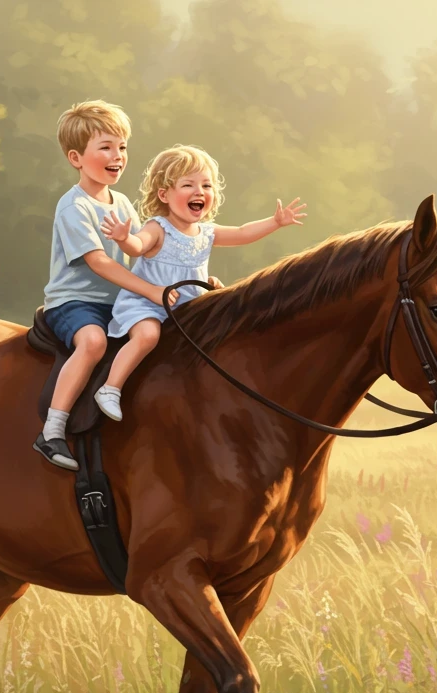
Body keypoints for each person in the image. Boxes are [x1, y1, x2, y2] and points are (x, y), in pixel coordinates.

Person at [94, 144, 306, 421]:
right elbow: (137, 246)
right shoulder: (158, 228)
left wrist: (275, 222)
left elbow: (242, 233)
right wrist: (124, 238)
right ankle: (111, 388)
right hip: (148, 305)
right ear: (164, 195)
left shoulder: (207, 232)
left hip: (188, 308)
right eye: (188, 185)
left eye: (206, 185)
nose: (199, 191)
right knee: (148, 335)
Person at [33, 101, 171, 471]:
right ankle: (52, 429)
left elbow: (144, 252)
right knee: (93, 341)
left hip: (119, 302)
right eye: (106, 147)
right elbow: (99, 262)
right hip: (76, 301)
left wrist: (189, 280)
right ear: (76, 158)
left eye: (122, 147)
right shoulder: (73, 207)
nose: (117, 156)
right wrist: (152, 292)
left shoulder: (122, 202)